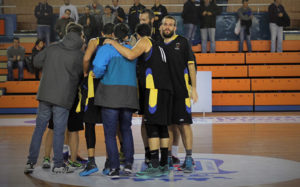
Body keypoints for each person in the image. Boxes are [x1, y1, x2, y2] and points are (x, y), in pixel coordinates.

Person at [105, 23, 173, 178]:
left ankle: (154, 165)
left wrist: (113, 42)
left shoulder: (145, 41)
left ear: (137, 36)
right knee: (162, 126)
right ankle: (163, 163)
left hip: (154, 89)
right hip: (165, 89)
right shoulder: (160, 45)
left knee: (152, 125)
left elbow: (130, 55)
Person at [24, 23, 85, 174]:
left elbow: (36, 63)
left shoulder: (52, 47)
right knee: (59, 130)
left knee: (39, 129)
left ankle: (30, 162)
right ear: (80, 36)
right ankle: (58, 164)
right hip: (63, 96)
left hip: (45, 94)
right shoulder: (79, 54)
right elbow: (80, 76)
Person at [93, 23, 137, 178]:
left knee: (110, 134)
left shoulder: (106, 49)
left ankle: (114, 167)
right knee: (126, 129)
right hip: (130, 93)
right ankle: (129, 164)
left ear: (112, 34)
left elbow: (98, 69)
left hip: (110, 94)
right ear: (127, 35)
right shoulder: (133, 49)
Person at [160, 16, 198, 173]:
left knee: (184, 125)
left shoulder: (182, 41)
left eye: (171, 25)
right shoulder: (157, 44)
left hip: (181, 91)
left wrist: (194, 88)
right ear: (161, 27)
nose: (168, 27)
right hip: (164, 92)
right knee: (168, 125)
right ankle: (168, 158)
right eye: (165, 24)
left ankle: (188, 158)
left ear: (175, 27)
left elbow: (191, 66)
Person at [79, 23, 114, 177]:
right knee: (110, 125)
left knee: (90, 123)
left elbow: (86, 59)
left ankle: (91, 161)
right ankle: (109, 162)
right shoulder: (116, 43)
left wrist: (86, 73)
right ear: (113, 33)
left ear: (101, 32)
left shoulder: (94, 41)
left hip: (93, 87)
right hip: (109, 87)